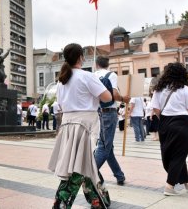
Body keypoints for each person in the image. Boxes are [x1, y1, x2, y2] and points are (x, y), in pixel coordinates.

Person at [48, 43, 112, 208]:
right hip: (85, 125)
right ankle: (61, 202)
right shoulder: (87, 76)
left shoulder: (62, 81)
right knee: (80, 165)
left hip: (68, 125)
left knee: (81, 161)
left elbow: (61, 105)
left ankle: (99, 199)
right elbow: (107, 98)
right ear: (80, 57)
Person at [150, 62, 188, 195]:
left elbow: (156, 109)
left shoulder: (158, 89)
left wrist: (164, 118)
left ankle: (187, 184)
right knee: (179, 156)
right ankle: (169, 186)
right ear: (182, 74)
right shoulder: (185, 89)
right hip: (182, 125)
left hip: (164, 124)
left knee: (171, 156)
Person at [93, 55, 129, 186]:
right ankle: (89, 173)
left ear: (96, 64)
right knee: (104, 147)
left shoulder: (93, 75)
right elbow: (114, 94)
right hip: (109, 112)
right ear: (107, 64)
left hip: (98, 113)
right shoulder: (111, 75)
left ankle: (119, 175)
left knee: (108, 146)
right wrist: (125, 99)